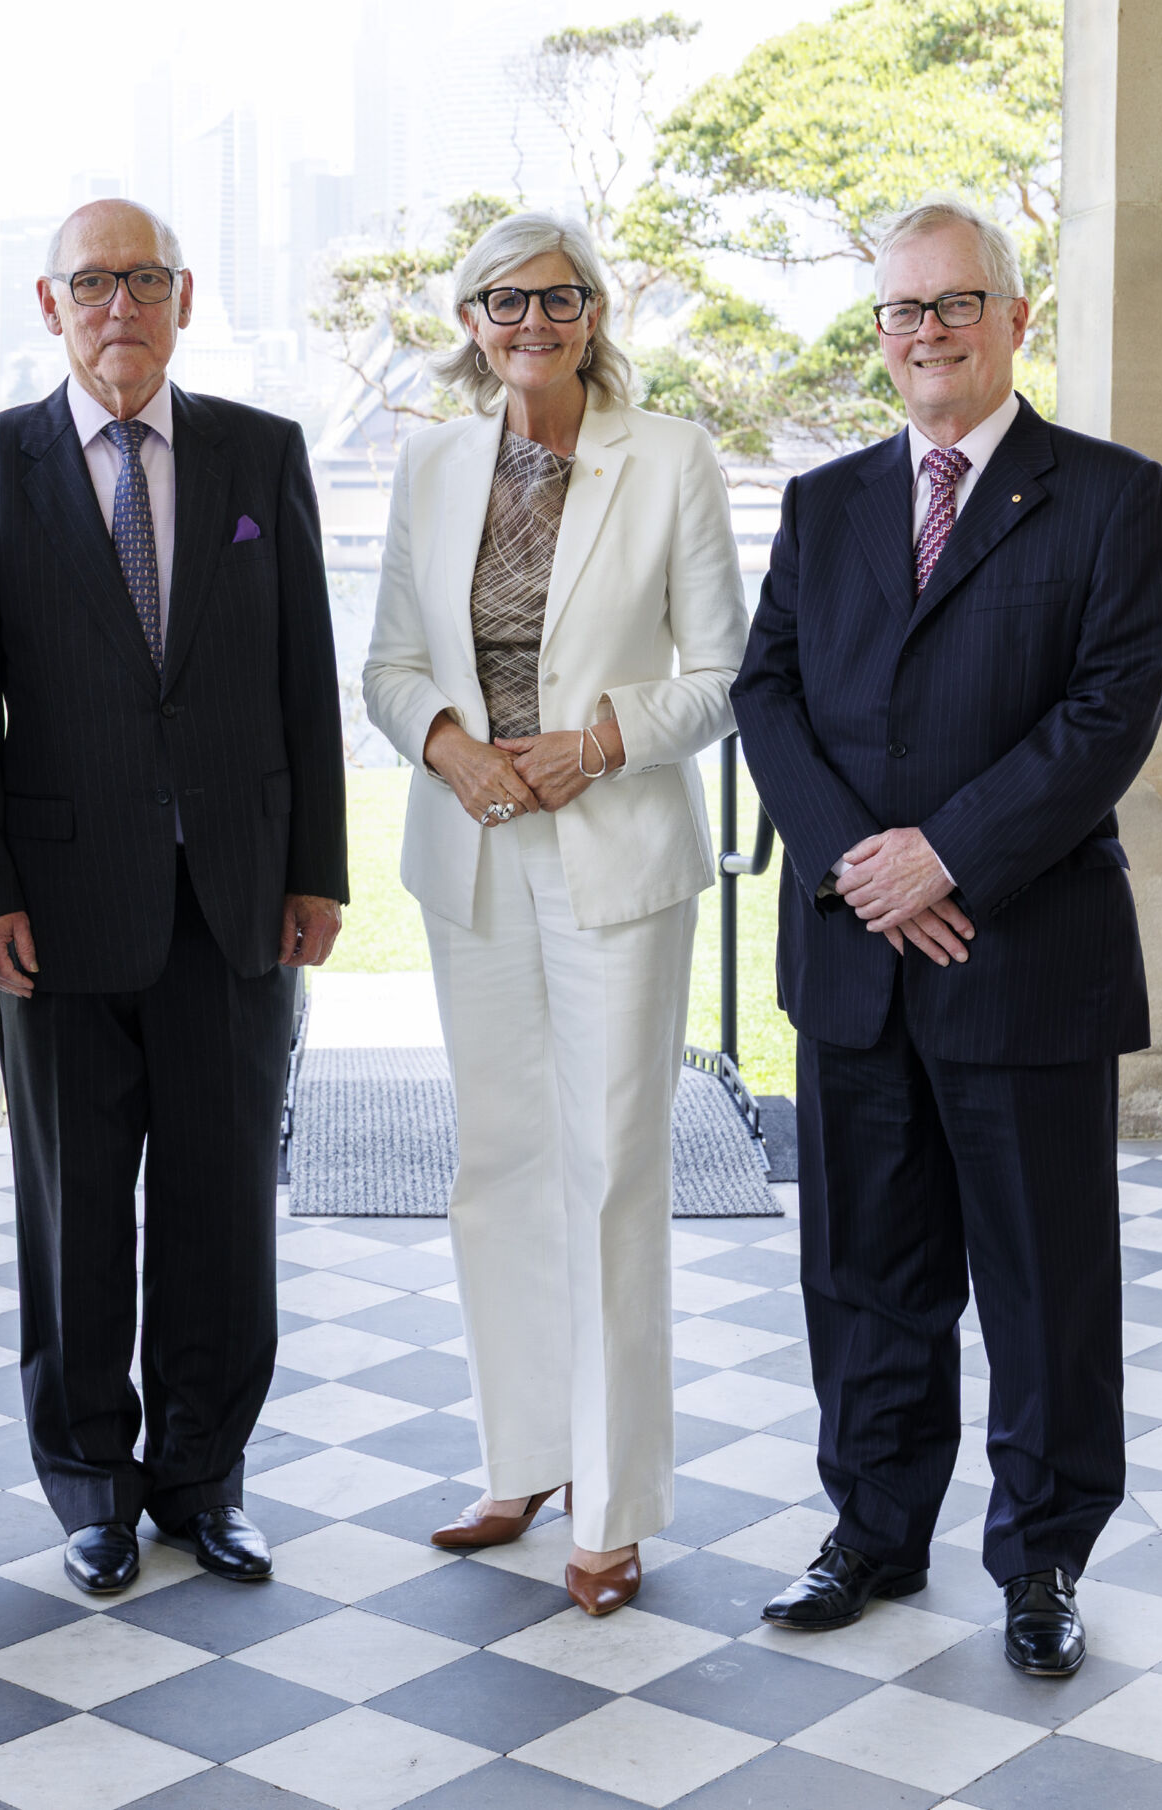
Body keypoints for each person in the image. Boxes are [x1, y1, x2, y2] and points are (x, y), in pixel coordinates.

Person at [732, 195, 1162, 1677]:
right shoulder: (824, 502)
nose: (925, 335)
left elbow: (1107, 717)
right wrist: (865, 865)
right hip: (859, 965)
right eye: (901, 311)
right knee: (867, 1272)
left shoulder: (1109, 497)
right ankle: (872, 1529)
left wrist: (946, 857)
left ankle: (1043, 1556)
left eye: (954, 306)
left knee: (1047, 1286)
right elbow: (767, 694)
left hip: (1023, 959)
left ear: (1014, 318)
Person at [0, 199, 348, 1597]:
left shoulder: (258, 452)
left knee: (226, 1207)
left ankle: (204, 1479)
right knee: (76, 1210)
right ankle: (93, 1484)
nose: (122, 305)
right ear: (49, 306)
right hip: (55, 908)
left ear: (184, 294)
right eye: (93, 282)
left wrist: (317, 870)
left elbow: (304, 680)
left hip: (235, 902)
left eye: (146, 280)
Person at [362, 211, 745, 1617]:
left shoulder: (674, 457)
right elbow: (392, 663)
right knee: (502, 1159)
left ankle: (612, 1492)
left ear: (595, 314)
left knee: (612, 1170)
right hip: (472, 846)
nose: (535, 319)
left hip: (614, 849)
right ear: (470, 321)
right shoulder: (432, 459)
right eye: (506, 300)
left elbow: (721, 670)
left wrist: (599, 739)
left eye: (562, 297)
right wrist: (447, 742)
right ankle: (519, 1456)